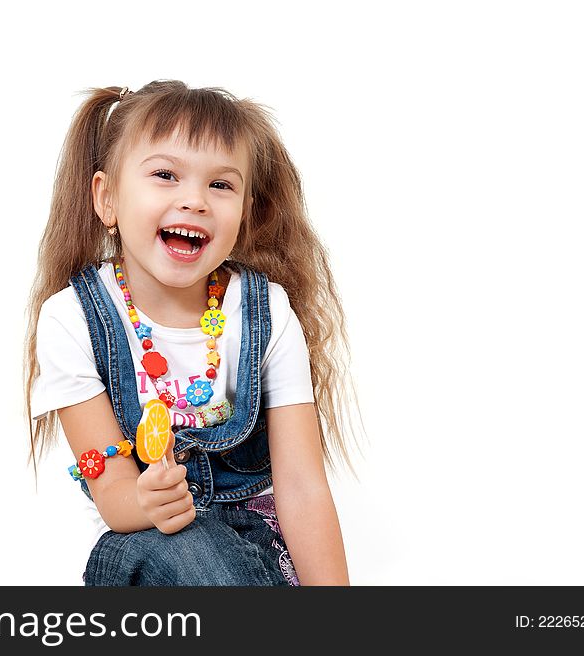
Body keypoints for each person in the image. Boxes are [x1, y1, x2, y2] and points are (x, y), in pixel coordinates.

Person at [23, 80, 361, 586]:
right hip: (146, 543)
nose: (195, 201)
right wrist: (142, 498)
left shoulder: (264, 311)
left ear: (245, 212)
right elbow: (112, 490)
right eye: (165, 175)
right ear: (107, 198)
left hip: (256, 553)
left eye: (220, 185)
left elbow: (301, 487)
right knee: (190, 554)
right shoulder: (71, 319)